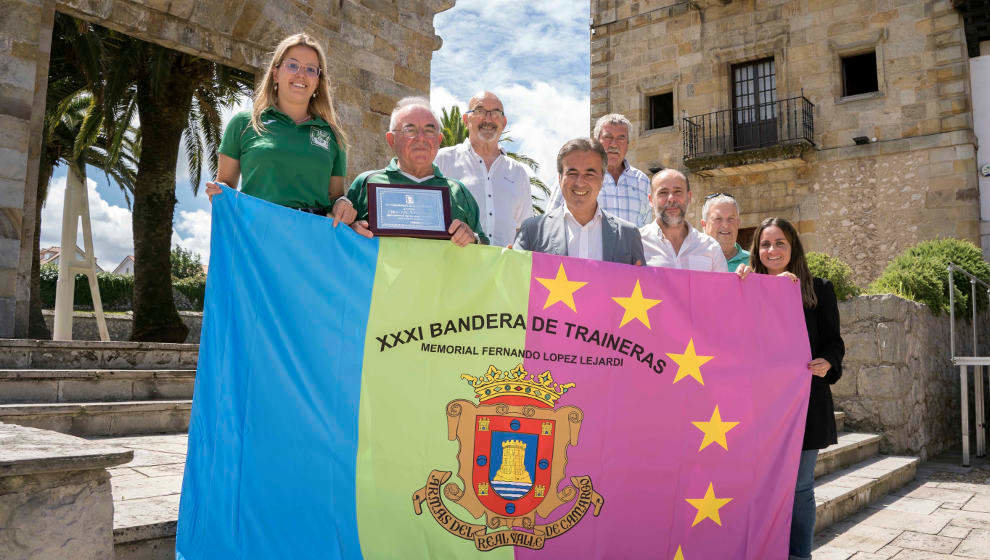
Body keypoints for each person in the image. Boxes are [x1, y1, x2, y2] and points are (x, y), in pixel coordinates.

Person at [738, 218, 845, 560]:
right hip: (758, 410)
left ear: (793, 247)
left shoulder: (820, 288)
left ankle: (799, 556)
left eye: (779, 243)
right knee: (760, 487)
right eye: (765, 244)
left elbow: (834, 342)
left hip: (805, 405)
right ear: (757, 251)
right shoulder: (745, 287)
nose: (772, 250)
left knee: (799, 489)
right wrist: (736, 286)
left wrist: (828, 362)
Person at [205, 33, 355, 228]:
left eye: (311, 69)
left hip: (312, 243)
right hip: (257, 238)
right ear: (275, 73)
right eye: (292, 65)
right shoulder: (243, 124)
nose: (301, 75)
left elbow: (335, 196)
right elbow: (225, 188)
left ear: (318, 81)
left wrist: (344, 203)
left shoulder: (332, 136)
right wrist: (218, 191)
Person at [346, 97, 488, 247]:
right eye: (410, 130)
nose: (421, 138)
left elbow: (486, 249)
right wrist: (349, 232)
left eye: (429, 130)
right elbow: (338, 241)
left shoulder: (459, 191)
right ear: (391, 140)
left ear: (439, 140)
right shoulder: (365, 183)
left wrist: (473, 238)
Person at [514, 138, 644, 265]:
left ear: (602, 179)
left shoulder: (629, 236)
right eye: (572, 173)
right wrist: (508, 265)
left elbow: (641, 285)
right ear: (560, 178)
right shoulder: (531, 231)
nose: (580, 182)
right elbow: (516, 280)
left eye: (589, 174)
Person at [434, 92, 532, 247]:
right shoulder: (443, 160)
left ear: (504, 122)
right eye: (479, 111)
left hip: (503, 269)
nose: (488, 119)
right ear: (466, 120)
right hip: (455, 267)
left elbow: (525, 228)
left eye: (495, 113)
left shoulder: (518, 172)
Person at [546, 114, 652, 227]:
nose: (614, 144)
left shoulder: (642, 180)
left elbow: (646, 228)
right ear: (597, 141)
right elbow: (550, 222)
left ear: (628, 143)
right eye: (608, 137)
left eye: (621, 138)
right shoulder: (573, 178)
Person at [640, 169, 727, 271]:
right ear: (651, 200)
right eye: (663, 193)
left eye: (678, 192)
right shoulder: (637, 243)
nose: (671, 198)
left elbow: (723, 286)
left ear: (689, 197)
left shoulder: (710, 247)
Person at [700, 193, 750, 272]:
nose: (725, 225)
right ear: (704, 224)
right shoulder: (690, 260)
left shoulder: (754, 262)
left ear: (738, 223)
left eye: (731, 219)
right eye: (718, 218)